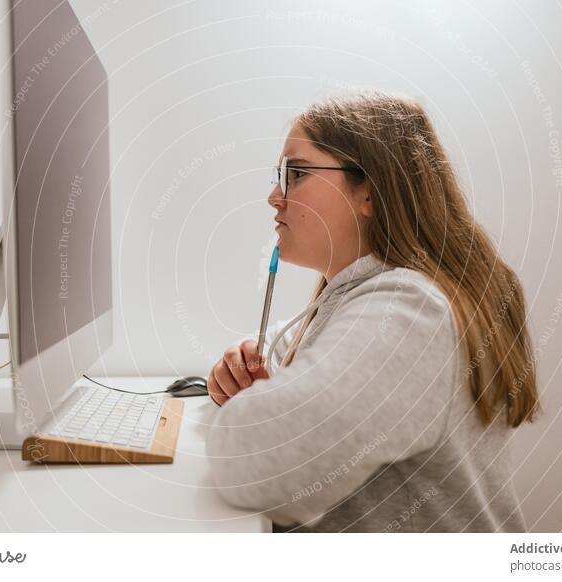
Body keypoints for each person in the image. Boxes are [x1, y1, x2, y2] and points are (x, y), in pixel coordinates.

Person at [205, 91, 539, 533]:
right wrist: (248, 359)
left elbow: (256, 465)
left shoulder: (409, 314)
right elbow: (301, 348)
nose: (274, 195)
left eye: (296, 173)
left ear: (371, 192)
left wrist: (255, 410)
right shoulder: (363, 296)